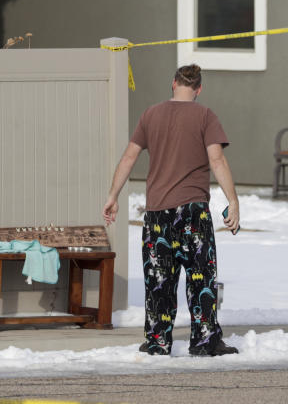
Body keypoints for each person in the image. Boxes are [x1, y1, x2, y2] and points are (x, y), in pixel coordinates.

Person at [102, 64, 240, 356]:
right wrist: (233, 201)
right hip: (193, 211)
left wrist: (113, 195)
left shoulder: (151, 114)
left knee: (159, 280)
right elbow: (217, 161)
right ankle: (204, 341)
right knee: (201, 277)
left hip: (157, 213)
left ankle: (158, 341)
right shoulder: (205, 115)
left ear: (172, 83)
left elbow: (129, 157)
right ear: (199, 89)